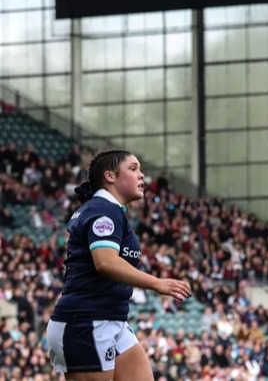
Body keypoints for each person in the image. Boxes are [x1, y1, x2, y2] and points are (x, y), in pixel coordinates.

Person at [45, 149, 193, 380]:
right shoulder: (103, 210)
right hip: (85, 322)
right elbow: (105, 262)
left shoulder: (111, 211)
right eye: (133, 169)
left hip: (111, 319)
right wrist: (156, 284)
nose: (141, 175)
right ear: (110, 176)